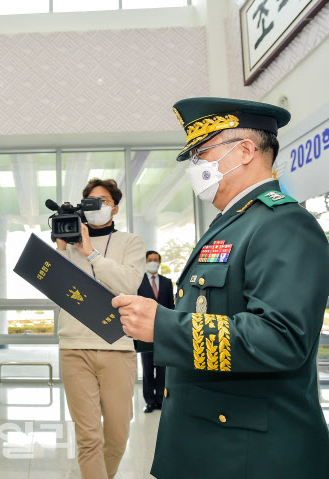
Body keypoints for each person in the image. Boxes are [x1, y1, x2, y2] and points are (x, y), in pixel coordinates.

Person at [114, 97, 329, 479]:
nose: (195, 167)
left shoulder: (282, 224)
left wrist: (164, 326)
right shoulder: (233, 223)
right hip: (212, 443)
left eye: (202, 153)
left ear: (245, 150)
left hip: (250, 455)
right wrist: (147, 327)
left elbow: (282, 338)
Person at [56, 178, 146, 479]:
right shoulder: (67, 245)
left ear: (115, 208)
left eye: (103, 201)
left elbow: (129, 284)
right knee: (89, 437)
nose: (96, 206)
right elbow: (53, 286)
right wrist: (60, 249)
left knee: (118, 435)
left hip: (117, 345)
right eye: (90, 201)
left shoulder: (131, 242)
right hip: (73, 347)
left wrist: (90, 252)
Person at [137, 250, 174, 413]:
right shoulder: (138, 282)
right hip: (144, 330)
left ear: (160, 262)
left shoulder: (167, 282)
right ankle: (149, 401)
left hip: (163, 330)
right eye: (150, 259)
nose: (153, 262)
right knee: (147, 366)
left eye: (156, 260)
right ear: (145, 261)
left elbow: (171, 307)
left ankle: (160, 398)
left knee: (162, 366)